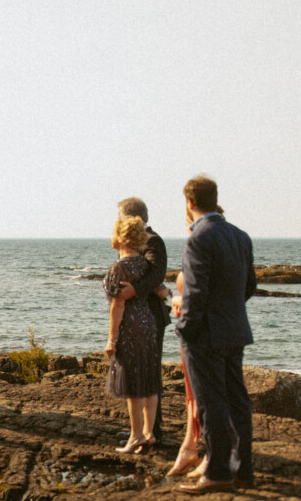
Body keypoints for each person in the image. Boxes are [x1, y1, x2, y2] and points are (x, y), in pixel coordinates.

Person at [177, 175, 256, 495]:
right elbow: (248, 287)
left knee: (211, 402)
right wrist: (228, 310)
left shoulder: (199, 238)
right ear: (214, 198)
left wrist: (184, 326)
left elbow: (195, 293)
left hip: (205, 333)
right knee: (237, 400)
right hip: (235, 327)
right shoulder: (240, 236)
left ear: (190, 203)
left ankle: (218, 470)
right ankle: (241, 468)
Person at [114, 197, 170, 444]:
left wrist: (133, 290)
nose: (117, 221)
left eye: (119, 216)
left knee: (149, 373)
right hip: (137, 317)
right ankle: (142, 430)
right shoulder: (134, 242)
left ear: (131, 218)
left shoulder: (153, 240)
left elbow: (157, 273)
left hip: (152, 317)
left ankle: (152, 431)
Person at [104, 216, 161, 454]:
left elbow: (118, 306)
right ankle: (149, 433)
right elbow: (157, 289)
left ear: (121, 237)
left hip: (130, 326)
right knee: (149, 378)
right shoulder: (144, 265)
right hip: (149, 323)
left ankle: (135, 435)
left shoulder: (120, 267)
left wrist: (111, 339)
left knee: (132, 381)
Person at [167, 271, 206, 478]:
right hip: (192, 333)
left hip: (204, 333)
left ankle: (213, 457)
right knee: (192, 393)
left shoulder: (203, 244)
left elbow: (206, 296)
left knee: (206, 395)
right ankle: (189, 447)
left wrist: (178, 300)